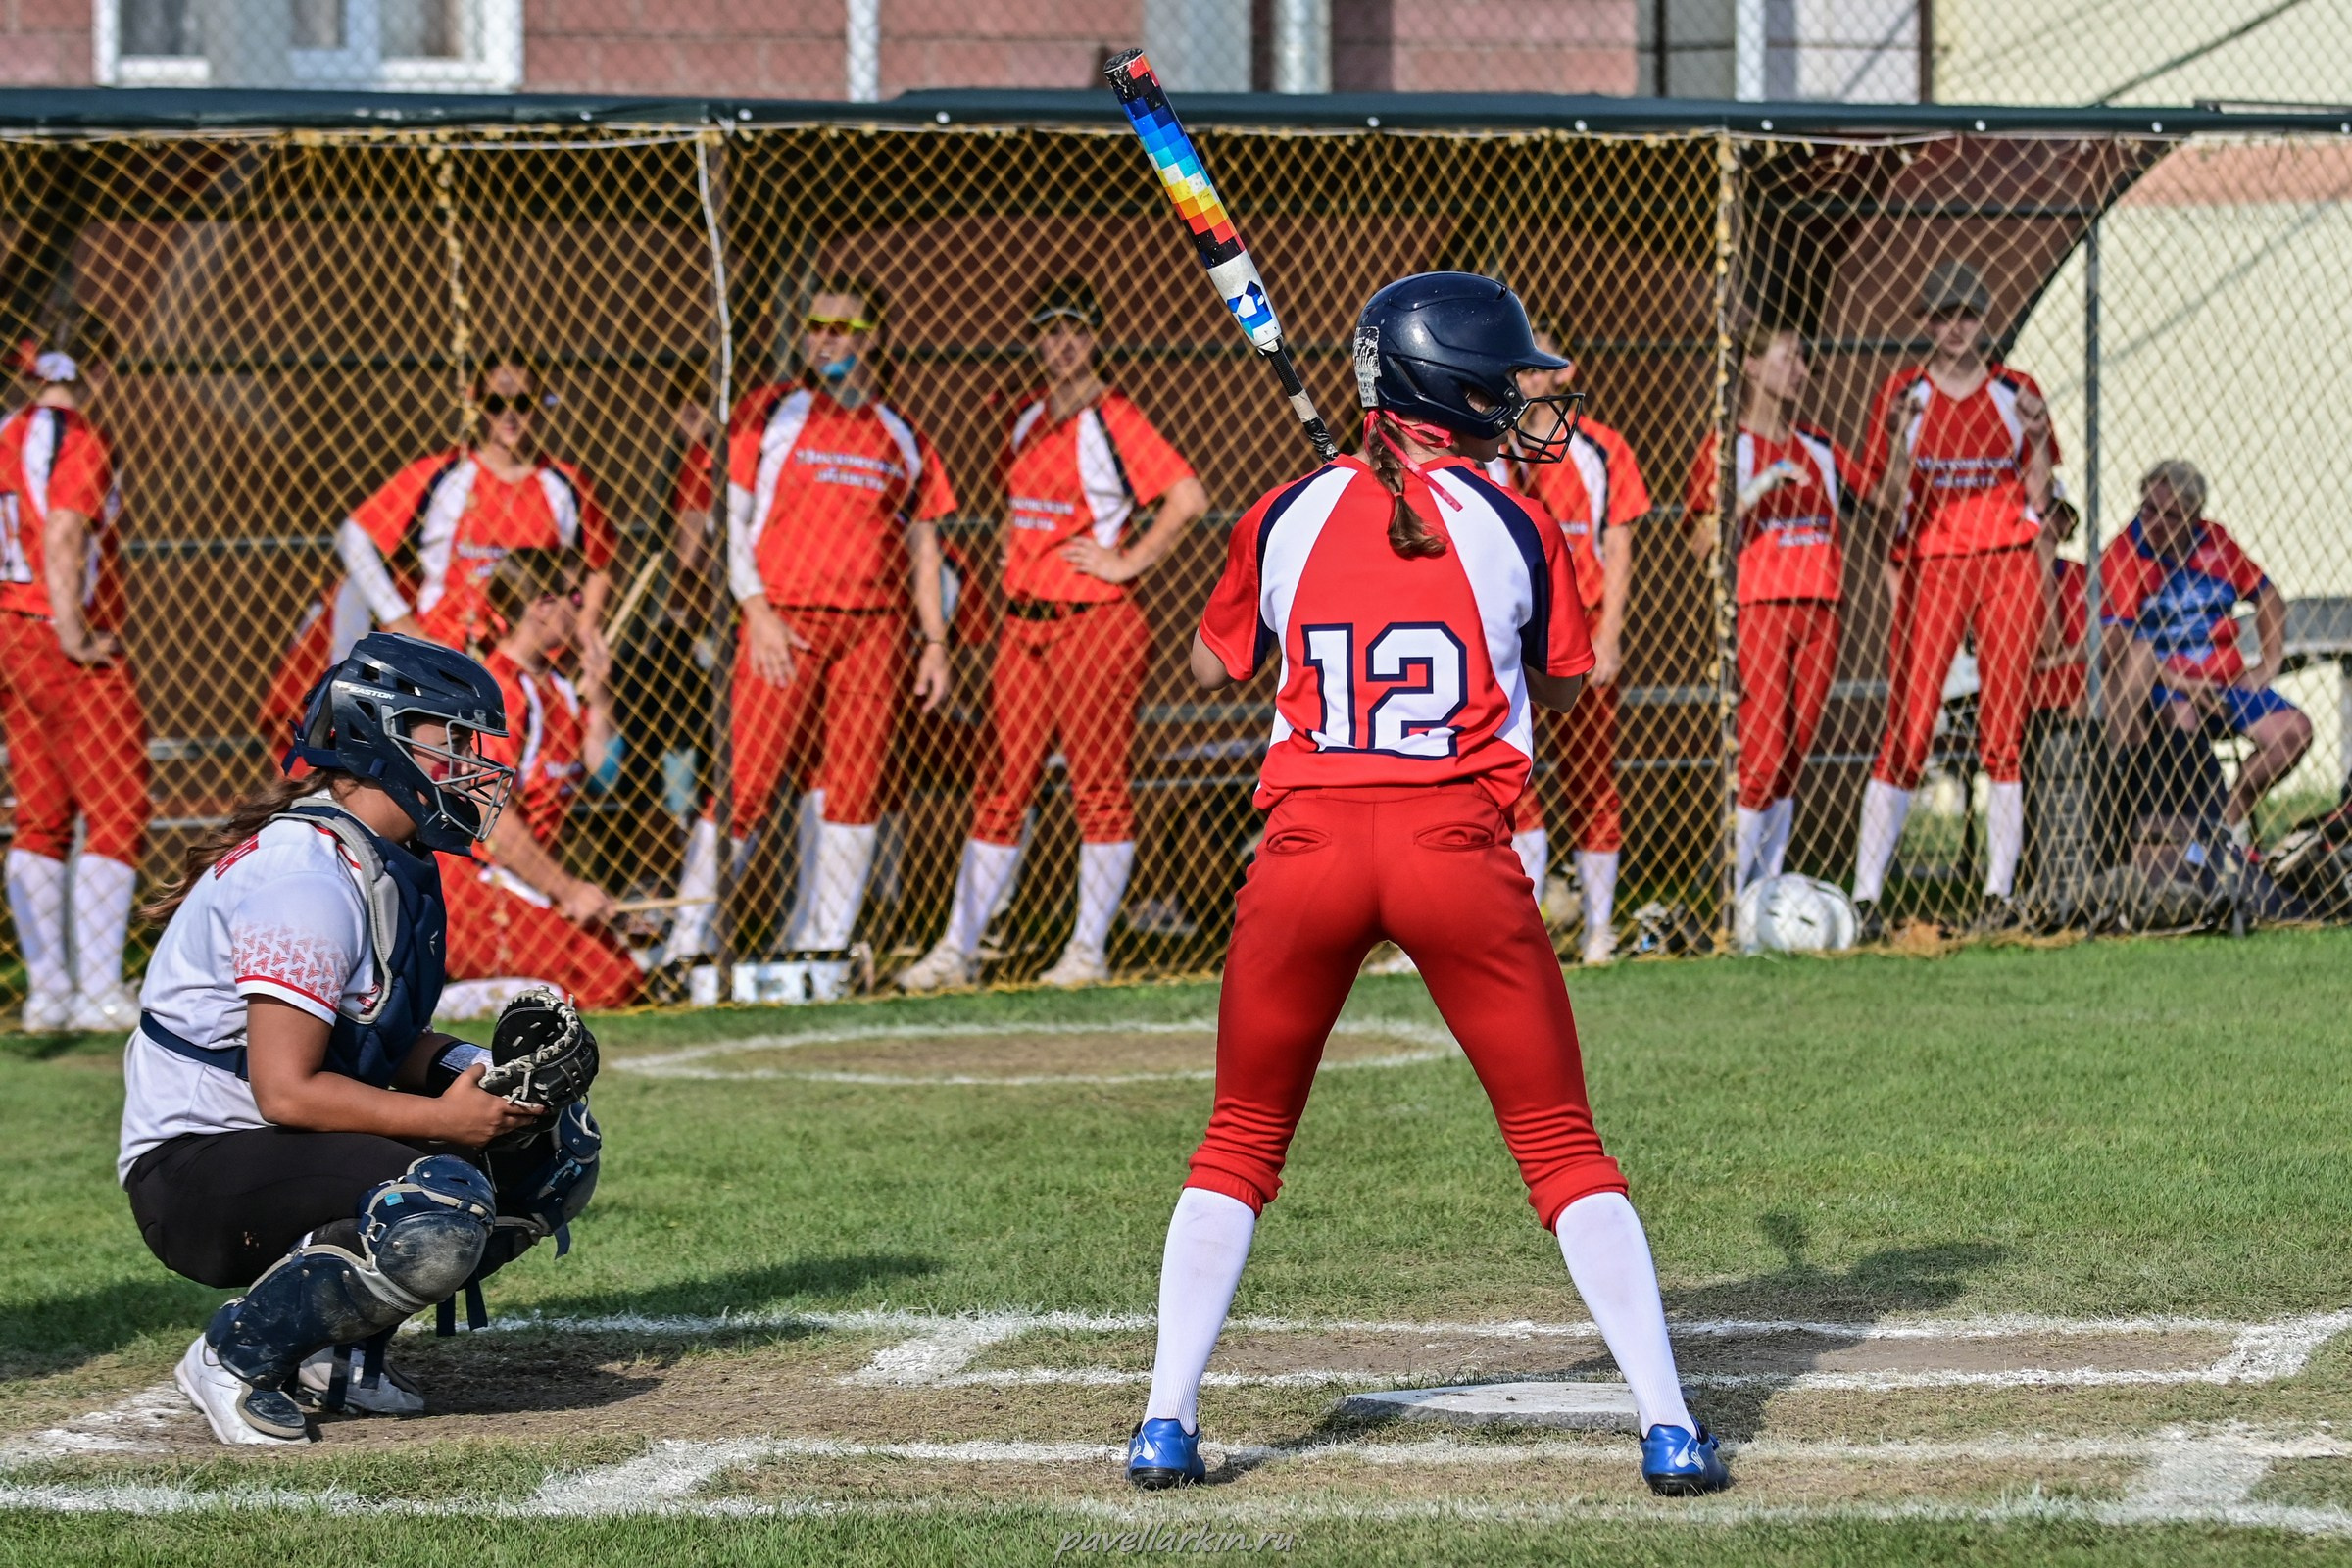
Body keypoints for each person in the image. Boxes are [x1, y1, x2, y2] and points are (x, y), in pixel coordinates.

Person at [1123, 272, 1727, 1497]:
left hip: (1306, 853)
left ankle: (1164, 1420)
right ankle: (1667, 1424)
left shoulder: (1285, 513)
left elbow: (1209, 661)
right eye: (1501, 384)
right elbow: (1564, 683)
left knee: (1240, 1139)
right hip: (1456, 850)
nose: (1518, 402)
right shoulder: (1516, 525)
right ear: (1452, 393)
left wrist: (1312, 550)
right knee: (1561, 1145)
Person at [121, 633, 601, 1445]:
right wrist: (447, 1121)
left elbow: (376, 1038)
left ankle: (333, 1353)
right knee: (436, 1204)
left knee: (554, 1151)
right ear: (379, 737)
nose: (470, 765)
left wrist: (486, 1071)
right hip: (197, 1166)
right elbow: (287, 1089)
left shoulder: (380, 855)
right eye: (449, 741)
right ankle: (235, 1355)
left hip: (275, 1141)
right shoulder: (305, 877)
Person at [897, 278, 1207, 992]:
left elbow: (1187, 498)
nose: (1061, 343)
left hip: (1093, 622)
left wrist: (1127, 560)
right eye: (1049, 330)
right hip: (1024, 625)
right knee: (1000, 785)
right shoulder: (1027, 417)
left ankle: (1087, 950)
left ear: (1093, 338)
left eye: (1074, 330)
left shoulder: (1113, 416)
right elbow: (1016, 514)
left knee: (1097, 785)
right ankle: (958, 947)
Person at [665, 276, 955, 973]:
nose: (824, 339)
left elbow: (923, 543)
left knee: (855, 785)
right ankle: (687, 943)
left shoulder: (900, 433)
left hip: (873, 629)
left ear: (871, 339)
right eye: (815, 326)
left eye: (841, 328)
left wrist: (935, 642)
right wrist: (756, 609)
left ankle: (824, 943)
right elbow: (730, 517)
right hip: (784, 622)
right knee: (749, 780)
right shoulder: (768, 413)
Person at [1850, 260, 2057, 938]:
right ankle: (1866, 895)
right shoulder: (1905, 393)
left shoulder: (2016, 390)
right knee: (1910, 727)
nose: (1956, 328)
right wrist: (1897, 438)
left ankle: (1998, 892)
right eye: (1943, 316)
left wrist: (2036, 437)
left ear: (1983, 320)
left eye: (1967, 315)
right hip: (1933, 561)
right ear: (1926, 323)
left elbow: (2039, 497)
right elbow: (1887, 500)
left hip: (2006, 559)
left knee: (2003, 731)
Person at [0, 318, 152, 1030]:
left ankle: (49, 993)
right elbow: (64, 532)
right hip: (55, 631)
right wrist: (73, 631)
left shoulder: (9, 431)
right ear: (96, 366)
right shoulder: (80, 437)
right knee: (116, 806)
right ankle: (96, 991)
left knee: (40, 813)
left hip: (10, 628)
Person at [1493, 321, 1649, 964]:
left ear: (1565, 373)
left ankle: (1598, 930)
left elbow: (1619, 544)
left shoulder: (1600, 449)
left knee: (1592, 775)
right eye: (1518, 368)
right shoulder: (1492, 450)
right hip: (1512, 635)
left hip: (1579, 630)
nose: (1528, 379)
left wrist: (1609, 637)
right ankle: (1522, 932)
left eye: (1538, 367)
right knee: (1514, 777)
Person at [1684, 324, 1852, 891]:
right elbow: (1701, 541)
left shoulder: (1819, 446)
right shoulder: (1728, 446)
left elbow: (1880, 493)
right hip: (1761, 606)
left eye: (1804, 359)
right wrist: (1753, 491)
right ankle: (1734, 897)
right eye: (1787, 357)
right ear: (1753, 367)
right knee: (1763, 754)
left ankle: (1767, 890)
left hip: (1821, 605)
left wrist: (1902, 432)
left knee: (1793, 758)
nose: (1800, 370)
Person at [439, 548, 641, 1014]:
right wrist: (567, 890)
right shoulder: (501, 690)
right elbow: (491, 821)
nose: (582, 610)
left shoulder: (556, 686)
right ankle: (441, 997)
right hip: (477, 883)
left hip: (519, 877)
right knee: (608, 980)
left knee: (619, 971)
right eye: (574, 597)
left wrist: (601, 696)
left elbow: (604, 775)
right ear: (542, 605)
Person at [332, 354, 616, 657]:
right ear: (476, 402)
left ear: (540, 402)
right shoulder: (444, 475)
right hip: (445, 652)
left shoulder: (565, 484)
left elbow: (601, 563)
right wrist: (400, 621)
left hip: (533, 662)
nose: (509, 415)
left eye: (522, 403)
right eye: (495, 404)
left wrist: (586, 626)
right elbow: (354, 535)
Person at [2098, 460, 2311, 847]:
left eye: (2169, 515)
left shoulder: (2216, 543)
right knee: (2183, 715)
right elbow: (2123, 649)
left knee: (2294, 731)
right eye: (2148, 509)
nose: (2154, 522)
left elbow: (2268, 596)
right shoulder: (2126, 553)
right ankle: (2188, 839)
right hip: (2166, 687)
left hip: (2224, 683)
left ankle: (2225, 828)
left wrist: (2268, 664)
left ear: (2193, 517)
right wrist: (2186, 686)